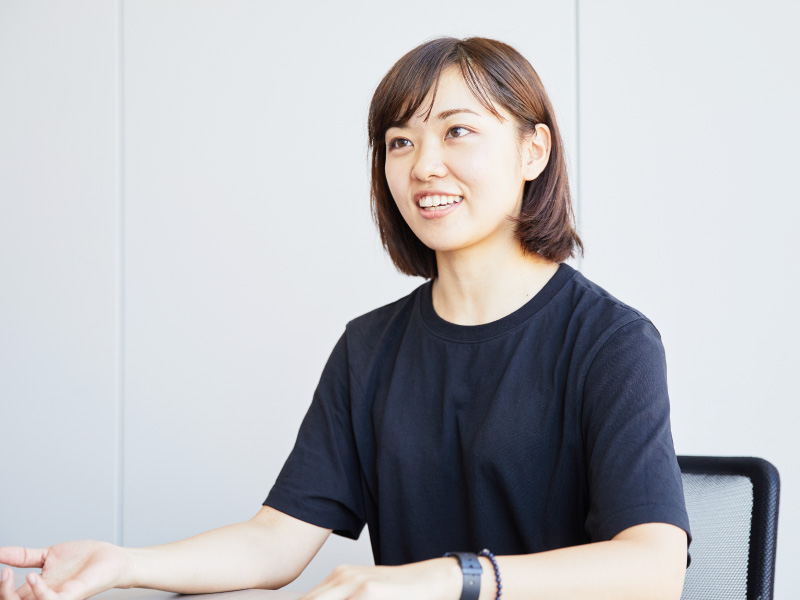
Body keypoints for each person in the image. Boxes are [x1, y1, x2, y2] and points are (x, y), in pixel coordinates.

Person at [0, 37, 690, 600]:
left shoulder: (611, 342)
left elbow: (653, 567)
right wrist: (126, 564)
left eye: (457, 132)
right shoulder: (371, 347)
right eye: (400, 142)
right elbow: (276, 540)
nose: (424, 166)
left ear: (532, 151)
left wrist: (447, 579)